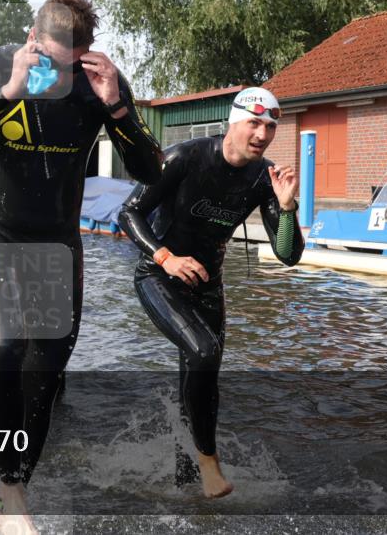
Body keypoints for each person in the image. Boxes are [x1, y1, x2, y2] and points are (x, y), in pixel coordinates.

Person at [0, 0, 163, 527]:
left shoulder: (101, 81)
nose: (58, 76)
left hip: (57, 239)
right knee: (6, 346)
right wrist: (7, 93)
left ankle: (14, 488)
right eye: (49, 61)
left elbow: (152, 172)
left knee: (47, 367)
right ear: (33, 39)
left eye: (69, 65)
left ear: (87, 53)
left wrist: (118, 109)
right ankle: (9, 491)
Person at [118, 86, 304, 499]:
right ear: (233, 123)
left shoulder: (264, 178)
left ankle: (184, 483)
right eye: (254, 123)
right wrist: (165, 257)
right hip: (159, 275)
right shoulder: (184, 158)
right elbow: (128, 212)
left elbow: (287, 255)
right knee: (203, 351)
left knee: (202, 373)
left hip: (207, 287)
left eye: (270, 127)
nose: (262, 134)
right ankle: (209, 464)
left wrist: (288, 208)